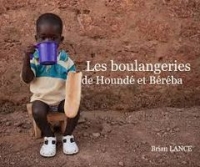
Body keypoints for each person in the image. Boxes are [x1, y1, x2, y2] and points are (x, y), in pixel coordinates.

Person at [21, 13, 80, 157]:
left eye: (53, 39)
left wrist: (73, 93)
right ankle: (49, 136)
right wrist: (26, 59)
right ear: (36, 39)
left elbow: (73, 82)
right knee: (37, 110)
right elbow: (27, 79)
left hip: (60, 99)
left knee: (75, 108)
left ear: (61, 40)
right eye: (43, 37)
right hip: (42, 99)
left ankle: (67, 136)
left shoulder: (66, 61)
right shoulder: (34, 59)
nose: (48, 42)